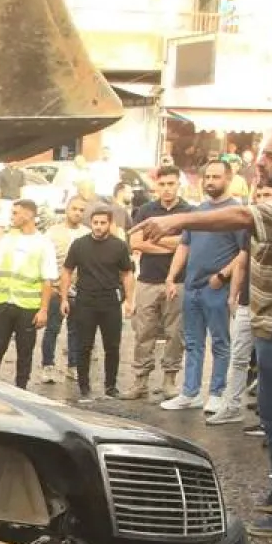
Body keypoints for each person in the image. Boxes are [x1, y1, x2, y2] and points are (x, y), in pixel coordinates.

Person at [135, 125, 272, 538]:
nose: (260, 162)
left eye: (271, 157)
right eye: (262, 154)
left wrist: (176, 219)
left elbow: (245, 216)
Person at [160, 160, 247, 414]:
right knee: (192, 342)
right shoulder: (198, 211)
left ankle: (217, 393)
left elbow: (244, 252)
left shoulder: (236, 213)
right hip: (192, 286)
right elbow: (184, 245)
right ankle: (190, 392)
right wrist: (171, 276)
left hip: (217, 288)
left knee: (220, 342)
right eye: (207, 176)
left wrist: (223, 275)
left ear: (228, 179)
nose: (210, 181)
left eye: (216, 177)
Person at [121, 165, 191, 400]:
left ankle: (169, 380)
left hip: (179, 280)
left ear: (178, 184)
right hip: (148, 280)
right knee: (143, 332)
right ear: (156, 186)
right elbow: (136, 243)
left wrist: (158, 240)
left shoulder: (188, 212)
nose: (167, 189)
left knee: (175, 332)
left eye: (171, 184)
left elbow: (189, 244)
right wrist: (174, 243)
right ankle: (141, 381)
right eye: (162, 184)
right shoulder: (145, 210)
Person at [210, 183, 272, 425]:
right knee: (238, 357)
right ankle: (231, 406)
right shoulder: (253, 228)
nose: (261, 199)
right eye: (258, 195)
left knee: (270, 364)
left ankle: (268, 418)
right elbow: (242, 260)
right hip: (248, 303)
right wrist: (234, 295)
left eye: (267, 194)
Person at [61, 206, 133, 401]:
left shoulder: (119, 246)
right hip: (85, 300)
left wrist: (129, 300)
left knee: (112, 346)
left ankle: (111, 386)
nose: (99, 227)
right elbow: (67, 270)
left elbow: (127, 274)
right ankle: (84, 386)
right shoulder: (79, 244)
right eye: (95, 223)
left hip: (110, 300)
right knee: (83, 345)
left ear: (110, 224)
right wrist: (64, 298)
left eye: (103, 223)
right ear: (90, 223)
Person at [0, 199, 57, 386]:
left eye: (16, 213)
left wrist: (43, 310)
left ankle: (21, 390)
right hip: (3, 304)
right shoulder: (8, 239)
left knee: (25, 354)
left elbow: (47, 279)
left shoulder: (43, 243)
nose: (12, 217)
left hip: (28, 308)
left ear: (29, 215)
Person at [39, 198, 88, 384]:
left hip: (79, 291)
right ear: (67, 209)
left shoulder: (87, 233)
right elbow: (44, 261)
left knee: (76, 331)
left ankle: (73, 366)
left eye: (81, 210)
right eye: (74, 209)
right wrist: (49, 287)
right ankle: (48, 365)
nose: (77, 213)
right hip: (56, 289)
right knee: (52, 329)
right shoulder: (52, 233)